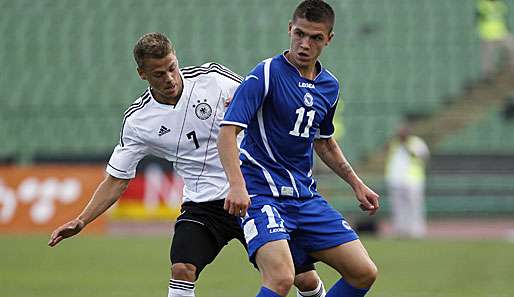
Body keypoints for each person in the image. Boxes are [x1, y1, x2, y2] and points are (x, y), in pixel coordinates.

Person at [47, 32, 326, 297]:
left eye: (172, 67)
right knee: (182, 269)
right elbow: (117, 180)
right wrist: (82, 220)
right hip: (203, 204)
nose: (170, 78)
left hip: (252, 193)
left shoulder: (214, 79)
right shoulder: (138, 122)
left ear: (176, 57)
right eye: (159, 74)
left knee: (304, 278)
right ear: (142, 74)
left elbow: (265, 101)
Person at [217, 1, 379, 297]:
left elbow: (324, 141)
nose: (305, 44)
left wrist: (356, 184)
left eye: (315, 37)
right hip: (261, 195)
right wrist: (236, 185)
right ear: (290, 29)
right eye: (300, 34)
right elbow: (228, 132)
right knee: (281, 278)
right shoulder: (265, 74)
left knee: (363, 273)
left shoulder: (329, 86)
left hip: (305, 198)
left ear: (329, 39)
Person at [385, 123, 430, 239]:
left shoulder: (416, 142)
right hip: (395, 179)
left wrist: (405, 145)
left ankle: (416, 231)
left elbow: (421, 156)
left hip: (412, 180)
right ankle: (400, 230)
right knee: (398, 207)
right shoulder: (394, 143)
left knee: (414, 206)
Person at [476, 0, 514, 80]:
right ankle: (487, 75)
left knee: (511, 46)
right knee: (488, 56)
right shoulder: (482, 4)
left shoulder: (500, 4)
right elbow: (481, 15)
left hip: (501, 33)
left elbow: (503, 16)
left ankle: (512, 68)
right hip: (488, 35)